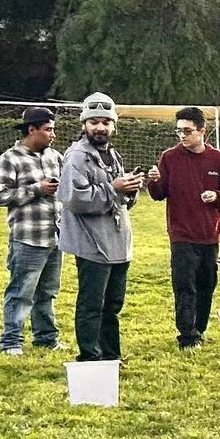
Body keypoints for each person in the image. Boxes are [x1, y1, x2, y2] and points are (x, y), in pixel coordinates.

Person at [57, 91, 142, 362]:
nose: (100, 127)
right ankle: (90, 357)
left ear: (114, 125)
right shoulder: (76, 157)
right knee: (92, 304)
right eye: (94, 122)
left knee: (112, 305)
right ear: (84, 125)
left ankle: (111, 356)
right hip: (92, 244)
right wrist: (114, 188)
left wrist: (131, 189)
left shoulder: (112, 155)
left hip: (117, 242)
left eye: (106, 122)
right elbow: (75, 199)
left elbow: (122, 199)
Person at [145, 105, 220, 351]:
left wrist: (216, 196)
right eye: (179, 132)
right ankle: (186, 336)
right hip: (181, 234)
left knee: (206, 285)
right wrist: (153, 181)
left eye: (187, 131)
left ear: (202, 131)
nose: (182, 136)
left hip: (209, 234)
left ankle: (200, 328)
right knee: (184, 285)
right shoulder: (169, 157)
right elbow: (158, 194)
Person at [0, 105, 65, 356]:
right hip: (27, 239)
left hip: (54, 237)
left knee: (48, 292)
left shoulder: (55, 156)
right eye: (48, 130)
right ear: (31, 130)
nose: (53, 135)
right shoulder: (9, 159)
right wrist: (37, 189)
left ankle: (46, 338)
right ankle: (11, 342)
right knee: (21, 292)